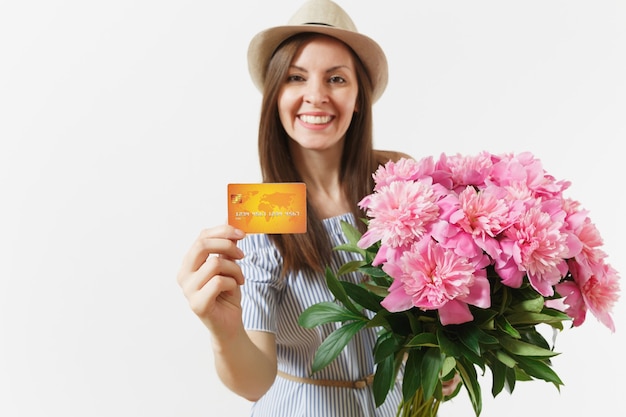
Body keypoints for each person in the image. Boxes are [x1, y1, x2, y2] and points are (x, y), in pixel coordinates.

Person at [176, 1, 457, 415]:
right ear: (276, 95)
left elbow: (428, 309)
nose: (316, 96)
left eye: (336, 79)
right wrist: (224, 331)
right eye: (296, 77)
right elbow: (255, 381)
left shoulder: (397, 179)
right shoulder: (262, 212)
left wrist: (442, 359)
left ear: (359, 97)